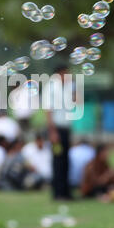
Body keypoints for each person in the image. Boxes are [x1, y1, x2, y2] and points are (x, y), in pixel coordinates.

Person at [45, 65, 74, 200]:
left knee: (66, 160)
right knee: (58, 160)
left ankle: (66, 192)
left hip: (66, 128)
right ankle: (57, 192)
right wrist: (53, 132)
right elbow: (48, 111)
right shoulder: (51, 87)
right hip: (56, 130)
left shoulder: (69, 86)